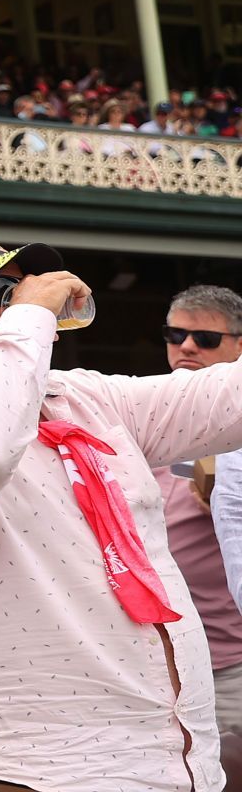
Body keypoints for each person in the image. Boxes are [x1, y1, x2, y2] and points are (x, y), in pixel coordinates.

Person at [0, 236, 242, 792]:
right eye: (1, 294)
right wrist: (31, 314)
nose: (25, 304)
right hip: (19, 768)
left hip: (167, 760)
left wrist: (20, 318)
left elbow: (227, 397)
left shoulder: (83, 396)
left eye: (26, 291)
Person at [155, 285, 242, 733]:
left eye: (205, 339)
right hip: (150, 663)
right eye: (175, 334)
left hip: (226, 663)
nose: (186, 346)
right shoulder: (140, 409)